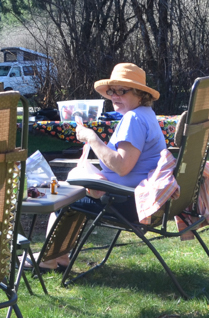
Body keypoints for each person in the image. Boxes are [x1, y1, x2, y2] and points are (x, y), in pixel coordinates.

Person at [37, 63, 167, 271]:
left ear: (141, 94)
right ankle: (58, 257)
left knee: (64, 197)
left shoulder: (134, 119)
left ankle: (50, 259)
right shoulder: (145, 114)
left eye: (122, 91)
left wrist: (92, 137)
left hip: (127, 202)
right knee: (75, 189)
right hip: (137, 199)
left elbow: (122, 167)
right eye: (112, 91)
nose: (115, 96)